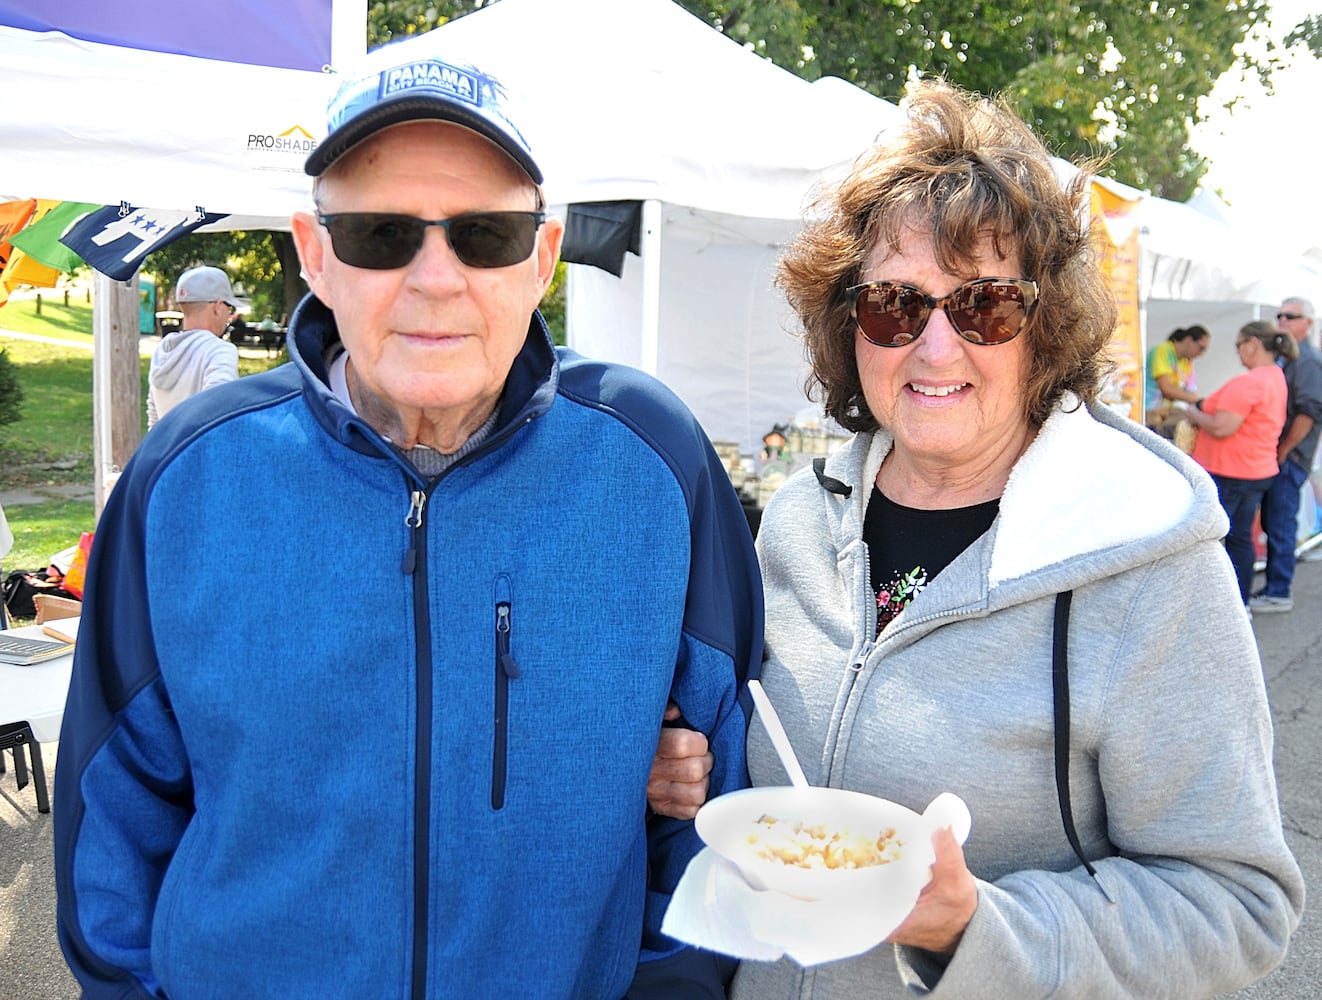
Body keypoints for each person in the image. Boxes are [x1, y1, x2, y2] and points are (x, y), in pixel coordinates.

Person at [54, 50, 762, 999]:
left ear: (543, 258)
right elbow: (113, 812)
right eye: (382, 233)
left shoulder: (651, 460)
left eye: (486, 234)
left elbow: (727, 797)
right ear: (315, 254)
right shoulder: (190, 475)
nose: (436, 277)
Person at [657, 80, 1304, 998]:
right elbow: (792, 766)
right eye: (895, 304)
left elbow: (1236, 906)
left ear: (1044, 333)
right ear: (851, 323)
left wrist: (977, 930)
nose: (934, 347)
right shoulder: (802, 519)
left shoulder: (1144, 564)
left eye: (985, 307)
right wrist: (700, 772)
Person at [1183, 321, 1291, 604]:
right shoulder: (1275, 375)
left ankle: (1216, 605)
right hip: (1256, 469)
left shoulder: (1250, 381)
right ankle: (1239, 603)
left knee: (1209, 540)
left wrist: (1194, 416)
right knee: (1241, 538)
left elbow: (1221, 427)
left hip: (1230, 470)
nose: (1238, 352)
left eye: (1238, 345)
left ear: (1252, 344)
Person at [1250, 296, 1322, 612]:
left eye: (1290, 316)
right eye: (1279, 315)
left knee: (1280, 522)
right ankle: (1275, 588)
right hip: (1278, 454)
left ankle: (1279, 591)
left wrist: (1284, 450)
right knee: (1273, 521)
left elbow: (1308, 412)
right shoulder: (1289, 357)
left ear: (1308, 322)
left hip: (1288, 457)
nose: (1282, 321)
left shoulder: (1307, 360)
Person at [145, 265, 240, 428]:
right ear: (217, 307)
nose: (228, 315)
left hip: (168, 451)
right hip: (202, 452)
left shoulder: (163, 350)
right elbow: (221, 412)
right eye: (228, 307)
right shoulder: (219, 351)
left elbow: (154, 419)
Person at [1143, 323, 1209, 435]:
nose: (1201, 354)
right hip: (1148, 411)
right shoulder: (1163, 350)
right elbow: (1167, 390)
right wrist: (1194, 400)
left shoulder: (1187, 362)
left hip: (1165, 413)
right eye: (1201, 348)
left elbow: (1192, 392)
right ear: (1188, 340)